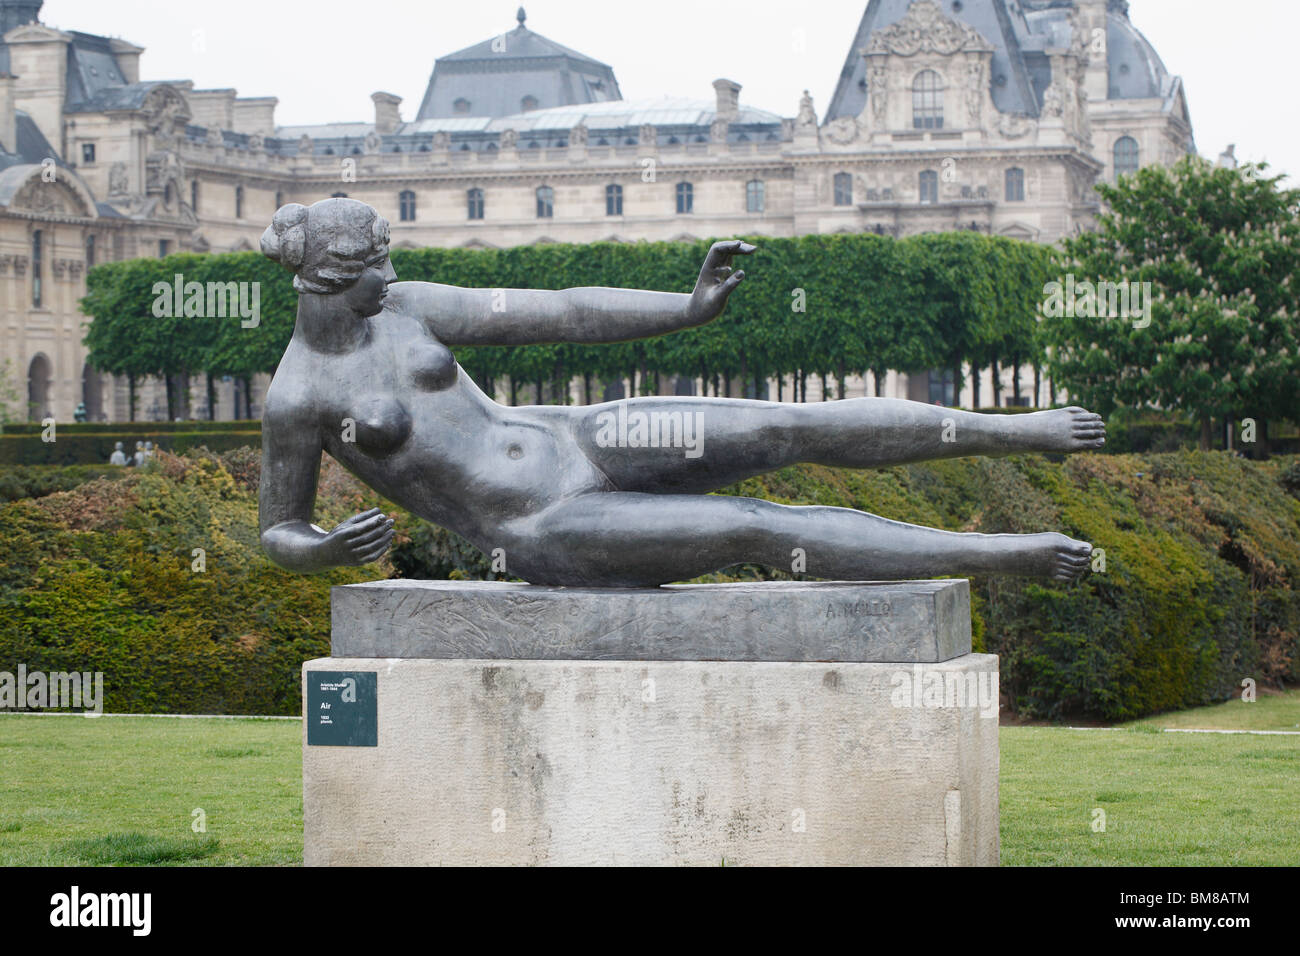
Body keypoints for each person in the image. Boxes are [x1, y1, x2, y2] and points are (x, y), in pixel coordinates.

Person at [257, 198, 1103, 587]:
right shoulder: (298, 398)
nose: (391, 274)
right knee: (759, 526)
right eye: (374, 267)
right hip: (541, 525)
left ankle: (1015, 430)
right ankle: (1003, 555)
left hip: (577, 436)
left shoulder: (405, 309)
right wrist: (324, 549)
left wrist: (686, 309)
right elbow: (278, 529)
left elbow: (563, 311)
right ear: (325, 280)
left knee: (786, 424)